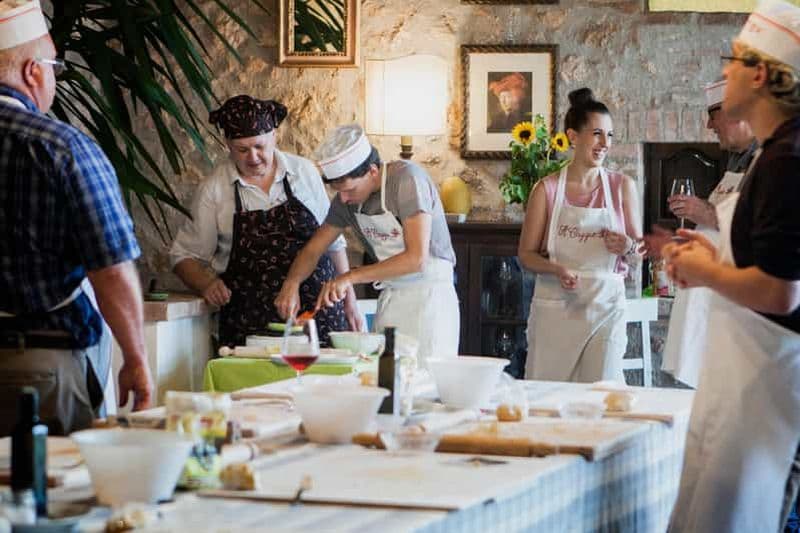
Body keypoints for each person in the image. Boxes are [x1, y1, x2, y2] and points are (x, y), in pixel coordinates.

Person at [664, 1, 800, 530]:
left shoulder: (787, 160)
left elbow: (781, 291)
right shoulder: (773, 153)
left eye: (735, 60)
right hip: (745, 383)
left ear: (761, 74)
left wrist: (703, 272)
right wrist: (711, 255)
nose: (725, 72)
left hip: (768, 391)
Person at [0, 0, 153, 435]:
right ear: (33, 71)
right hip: (40, 369)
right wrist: (136, 360)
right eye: (53, 66)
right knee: (50, 495)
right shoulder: (62, 148)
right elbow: (112, 269)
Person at [170, 96, 360, 347]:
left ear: (274, 136)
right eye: (242, 149)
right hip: (251, 322)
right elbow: (182, 255)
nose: (253, 157)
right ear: (227, 144)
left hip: (319, 314)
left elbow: (333, 243)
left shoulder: (304, 172)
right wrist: (205, 283)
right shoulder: (214, 190)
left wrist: (351, 302)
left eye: (259, 146)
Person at [275, 124, 459, 367]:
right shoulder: (346, 202)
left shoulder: (407, 179)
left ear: (373, 171)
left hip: (430, 301)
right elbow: (313, 249)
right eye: (339, 192)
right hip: (392, 299)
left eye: (350, 189)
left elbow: (416, 259)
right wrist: (292, 283)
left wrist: (350, 277)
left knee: (426, 384)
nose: (344, 199)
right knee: (384, 381)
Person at [519, 88, 642, 382]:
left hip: (606, 309)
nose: (605, 144)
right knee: (549, 398)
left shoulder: (622, 187)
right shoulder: (546, 189)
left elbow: (639, 251)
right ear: (573, 137)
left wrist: (627, 245)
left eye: (609, 135)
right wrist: (555, 268)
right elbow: (526, 254)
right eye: (597, 134)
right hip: (556, 310)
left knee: (603, 392)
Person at [659, 79, 757, 388]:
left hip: (733, 297)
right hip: (709, 292)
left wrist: (704, 213)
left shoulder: (767, 162)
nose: (708, 124)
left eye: (713, 116)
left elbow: (753, 224)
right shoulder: (736, 161)